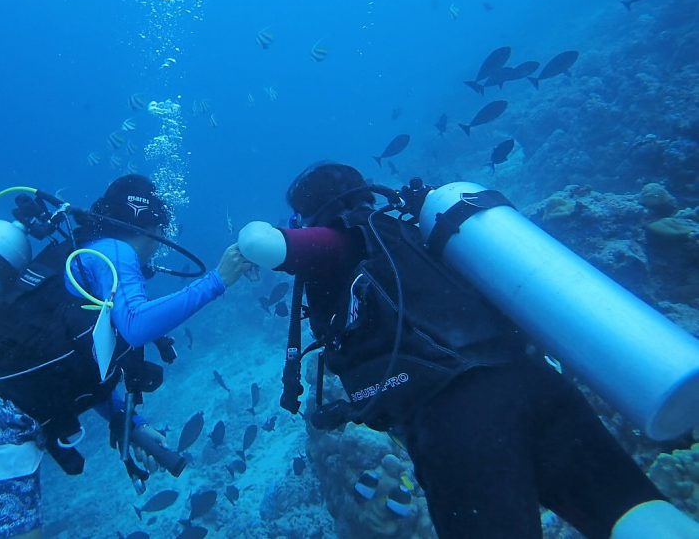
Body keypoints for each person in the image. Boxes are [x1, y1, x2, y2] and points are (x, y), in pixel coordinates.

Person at [237, 162, 699, 539]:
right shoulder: (419, 232)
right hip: (535, 383)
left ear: (311, 213)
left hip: (456, 419)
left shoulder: (338, 242)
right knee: (631, 512)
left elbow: (261, 241)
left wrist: (253, 245)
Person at [0, 174, 251, 539]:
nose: (157, 249)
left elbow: (74, 359)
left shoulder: (85, 261)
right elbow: (136, 325)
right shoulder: (116, 251)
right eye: (159, 233)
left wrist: (129, 423)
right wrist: (218, 280)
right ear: (150, 226)